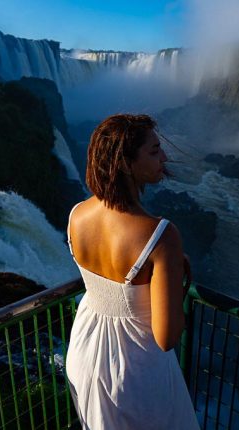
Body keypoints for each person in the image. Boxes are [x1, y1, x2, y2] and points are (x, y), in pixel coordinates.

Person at [65, 114, 199, 429]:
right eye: (154, 151)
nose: (164, 158)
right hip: (134, 371)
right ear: (126, 163)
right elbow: (167, 337)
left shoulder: (77, 215)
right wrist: (178, 277)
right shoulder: (161, 235)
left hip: (84, 352)